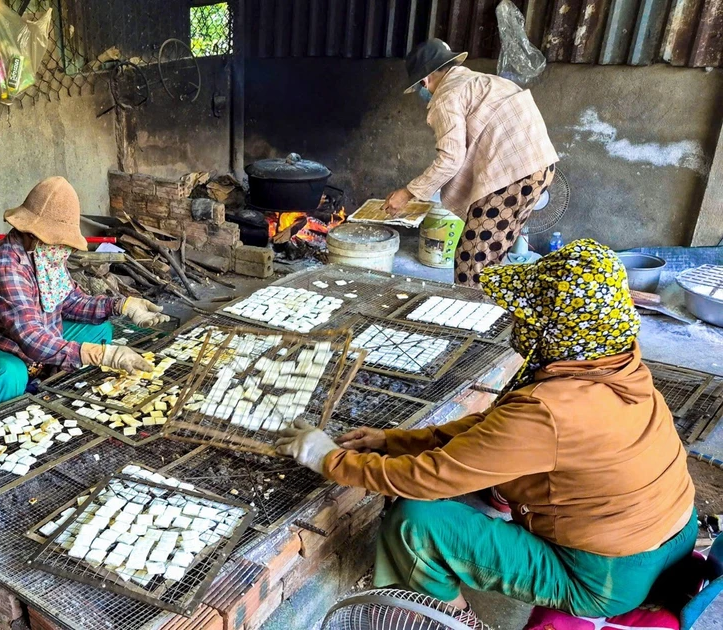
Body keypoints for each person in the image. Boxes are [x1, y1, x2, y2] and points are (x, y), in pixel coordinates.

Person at [276, 240, 696, 618]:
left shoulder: (546, 412)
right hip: (674, 535)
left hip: (605, 576)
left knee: (415, 522)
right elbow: (492, 433)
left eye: (528, 317)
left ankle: (454, 623)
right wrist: (392, 441)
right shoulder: (617, 365)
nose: (519, 322)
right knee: (485, 483)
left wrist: (330, 460)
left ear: (554, 331)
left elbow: (431, 479)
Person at [0, 176, 169, 407]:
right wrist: (104, 356)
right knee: (10, 374)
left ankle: (54, 384)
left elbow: (71, 301)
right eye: (56, 242)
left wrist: (122, 305)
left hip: (32, 336)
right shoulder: (5, 266)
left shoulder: (45, 256)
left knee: (99, 330)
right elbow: (32, 338)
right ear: (31, 234)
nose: (62, 250)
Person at [383, 39, 559, 288]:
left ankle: (471, 320)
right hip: (537, 168)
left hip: (511, 175)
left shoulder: (447, 95)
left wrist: (407, 193)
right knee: (491, 256)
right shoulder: (482, 82)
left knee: (471, 259)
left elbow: (450, 159)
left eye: (421, 86)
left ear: (425, 80)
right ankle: (489, 315)